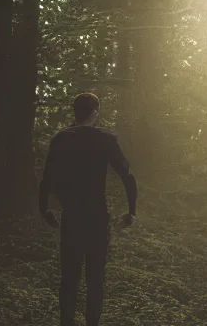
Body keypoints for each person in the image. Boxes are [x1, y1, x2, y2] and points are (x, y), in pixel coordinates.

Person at [39, 92, 137, 326]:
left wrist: (45, 209)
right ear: (95, 113)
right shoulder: (106, 139)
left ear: (75, 112)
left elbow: (47, 179)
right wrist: (131, 211)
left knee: (69, 278)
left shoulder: (61, 139)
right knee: (95, 279)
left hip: (72, 217)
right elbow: (127, 176)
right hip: (96, 218)